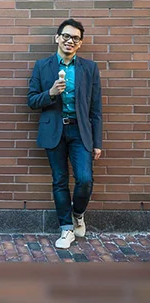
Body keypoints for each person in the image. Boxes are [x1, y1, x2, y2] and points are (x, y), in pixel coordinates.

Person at [27, 19, 102, 249]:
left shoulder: (89, 68)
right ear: (57, 38)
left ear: (80, 43)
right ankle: (66, 229)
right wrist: (50, 93)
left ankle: (77, 214)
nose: (70, 41)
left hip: (80, 131)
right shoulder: (42, 66)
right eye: (66, 36)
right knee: (60, 180)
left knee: (85, 179)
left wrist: (97, 142)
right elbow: (31, 101)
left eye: (75, 38)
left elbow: (96, 109)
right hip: (55, 130)